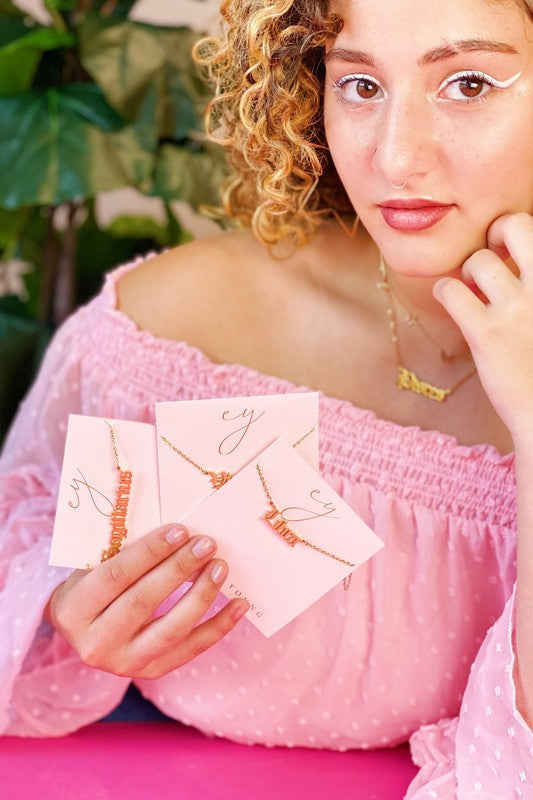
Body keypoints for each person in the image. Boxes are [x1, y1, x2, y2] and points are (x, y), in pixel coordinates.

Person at [1, 0, 532, 795]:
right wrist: (57, 613)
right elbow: (23, 526)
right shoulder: (171, 327)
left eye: (466, 83)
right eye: (358, 85)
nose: (395, 157)